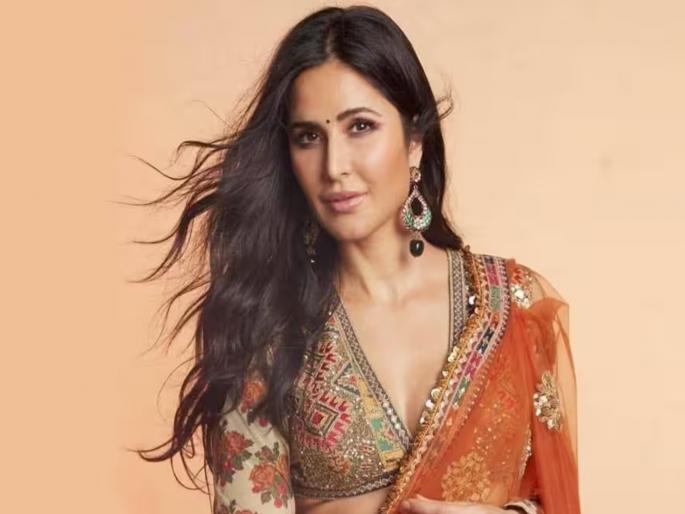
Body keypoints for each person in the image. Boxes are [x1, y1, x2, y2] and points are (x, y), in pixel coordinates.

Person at [134, 5, 580, 514]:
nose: (334, 166)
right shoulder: (266, 329)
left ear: (415, 141)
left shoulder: (515, 307)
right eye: (308, 137)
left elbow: (556, 499)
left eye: (361, 126)